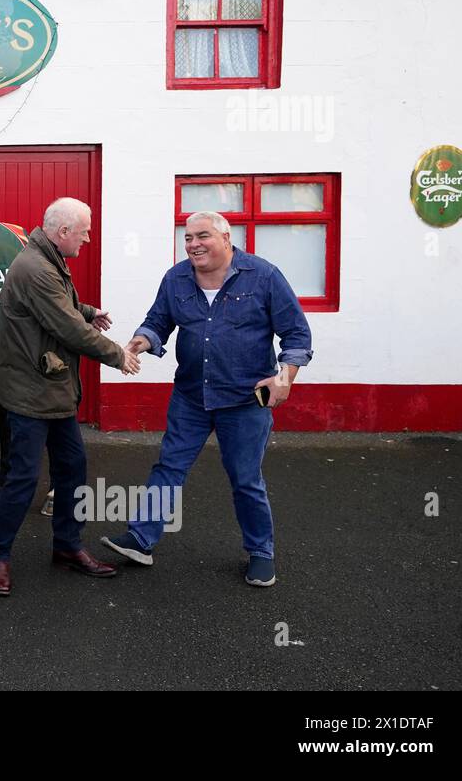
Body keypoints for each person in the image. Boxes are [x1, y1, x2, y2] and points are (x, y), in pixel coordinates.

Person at [101, 210, 313, 588]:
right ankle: (140, 539)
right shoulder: (176, 277)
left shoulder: (263, 276)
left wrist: (284, 378)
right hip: (191, 396)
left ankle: (261, 552)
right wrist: (143, 338)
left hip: (245, 401)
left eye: (202, 236)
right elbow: (159, 320)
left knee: (245, 479)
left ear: (226, 238)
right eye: (187, 238)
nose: (193, 244)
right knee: (168, 467)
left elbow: (297, 335)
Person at [0, 197, 140, 597]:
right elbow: (66, 328)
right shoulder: (36, 266)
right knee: (23, 479)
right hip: (33, 395)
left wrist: (86, 310)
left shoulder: (45, 257)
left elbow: (59, 308)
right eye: (84, 231)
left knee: (72, 469)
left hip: (52, 390)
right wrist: (117, 354)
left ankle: (68, 547)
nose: (88, 238)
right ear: (63, 231)